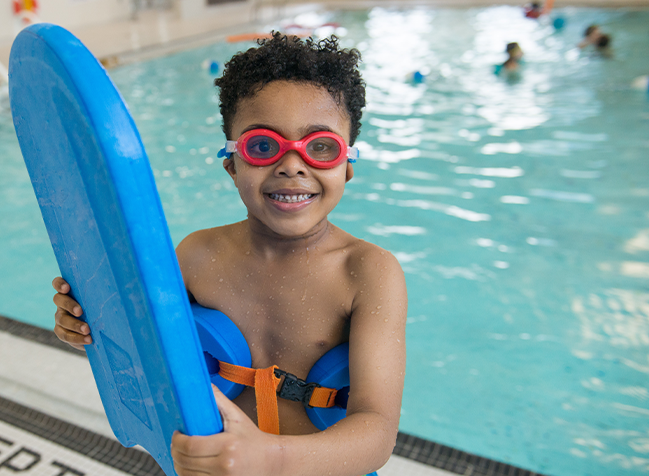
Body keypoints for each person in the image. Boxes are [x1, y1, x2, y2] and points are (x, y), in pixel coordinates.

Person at [53, 33, 407, 476]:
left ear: (347, 167)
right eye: (263, 146)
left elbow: (377, 432)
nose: (292, 165)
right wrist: (87, 325)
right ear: (231, 164)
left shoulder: (367, 272)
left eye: (321, 147)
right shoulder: (197, 255)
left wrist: (269, 457)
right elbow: (143, 356)